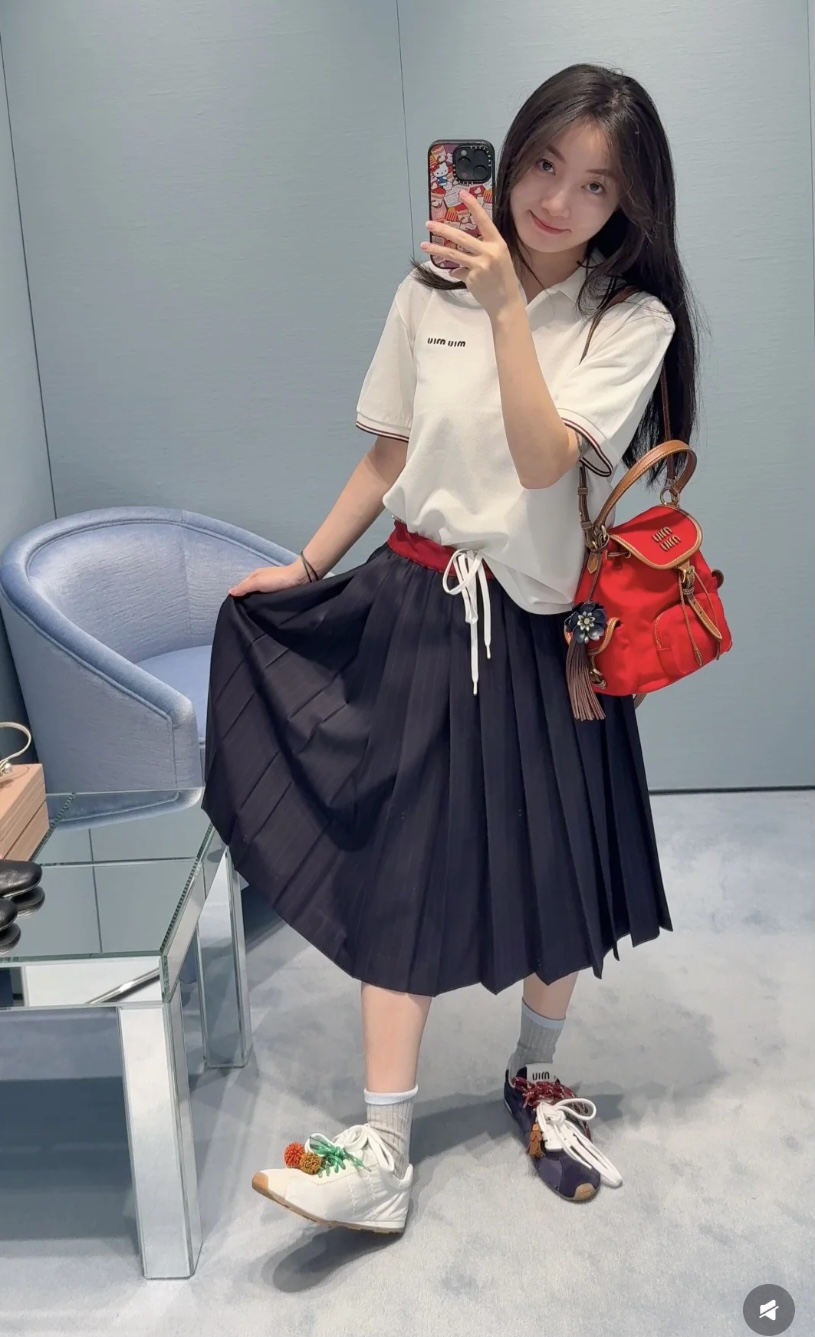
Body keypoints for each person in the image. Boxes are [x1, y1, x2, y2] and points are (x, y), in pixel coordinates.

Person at [202, 62, 700, 1234]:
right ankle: (381, 1144)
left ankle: (534, 1074)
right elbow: (387, 455)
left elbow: (541, 460)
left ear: (627, 205)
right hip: (417, 607)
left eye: (595, 185)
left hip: (541, 628)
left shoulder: (630, 321)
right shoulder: (425, 289)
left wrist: (506, 311)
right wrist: (305, 566)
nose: (556, 201)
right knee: (401, 864)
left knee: (558, 862)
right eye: (543, 164)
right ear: (508, 156)